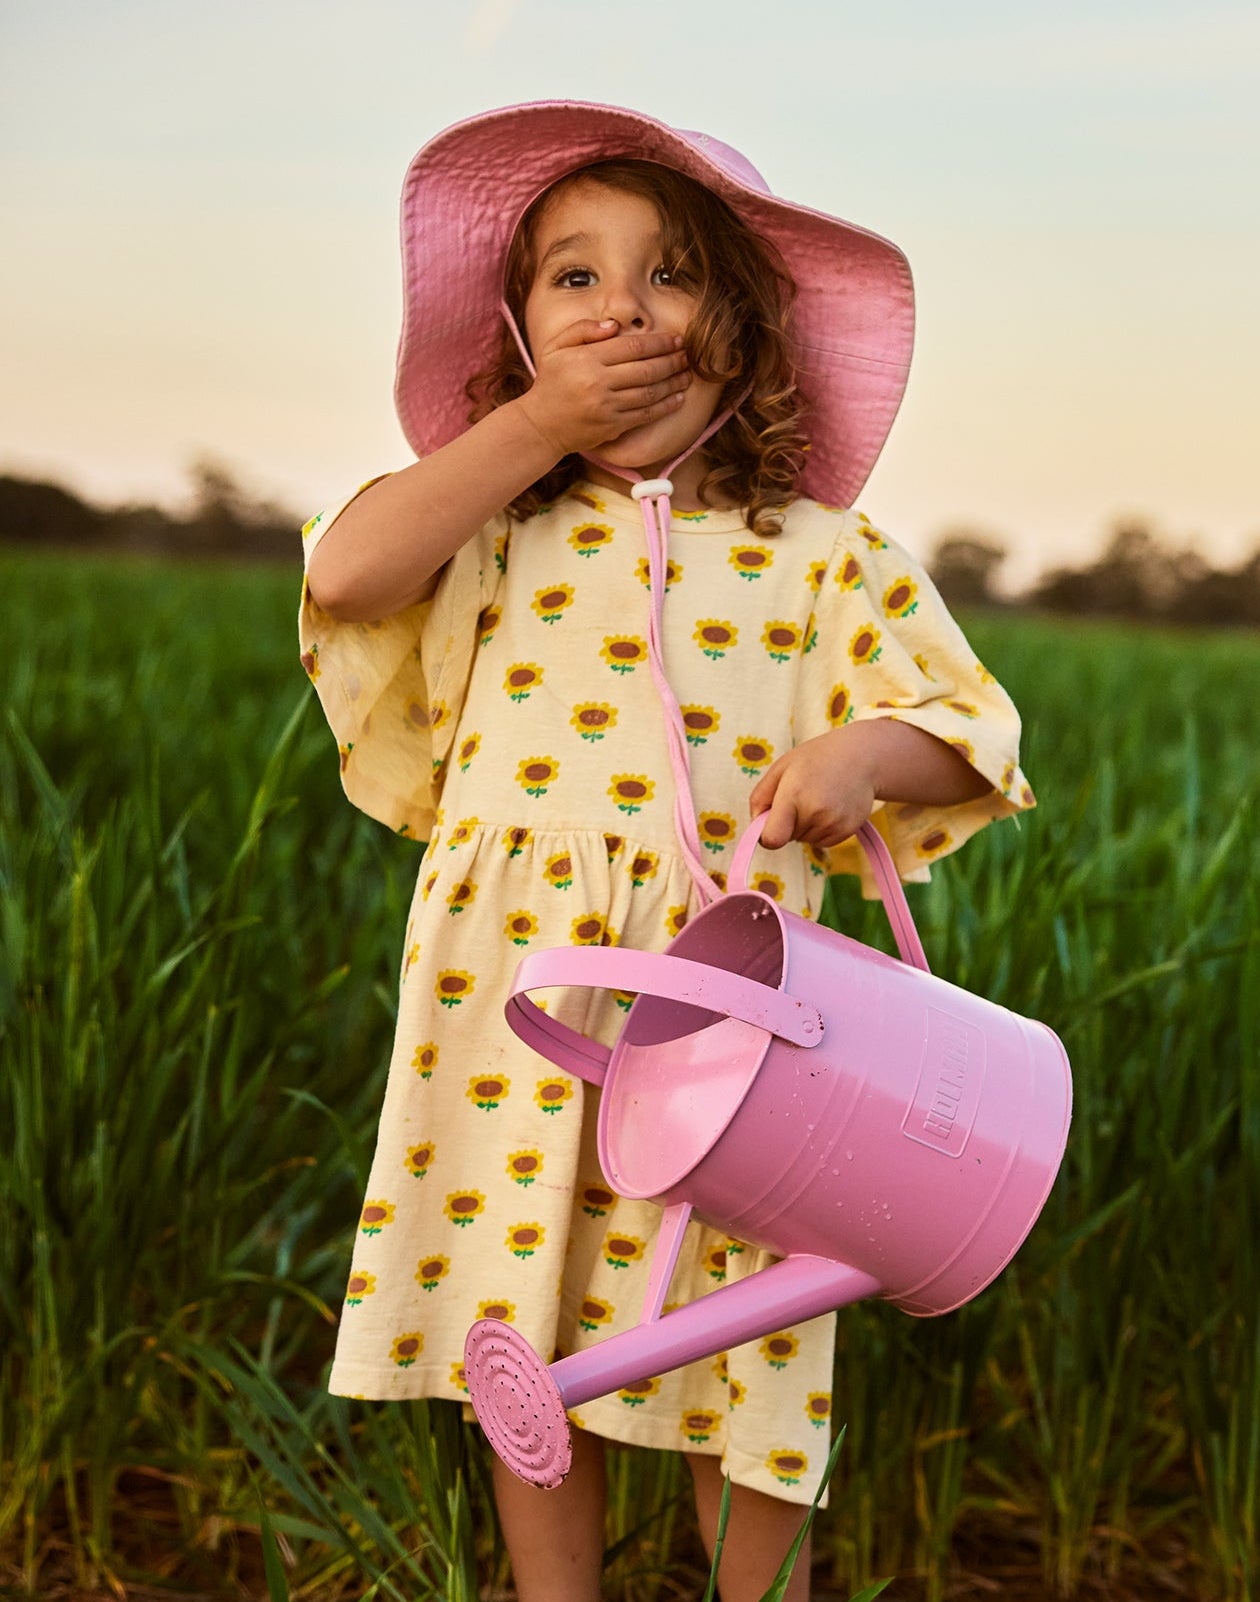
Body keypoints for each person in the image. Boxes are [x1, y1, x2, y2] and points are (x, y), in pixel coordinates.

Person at [298, 100, 1036, 1602]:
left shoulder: (818, 551)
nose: (622, 307)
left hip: (736, 1031)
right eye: (574, 276)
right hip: (524, 1006)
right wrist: (534, 430)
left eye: (672, 275)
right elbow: (348, 572)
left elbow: (970, 730)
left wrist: (861, 756)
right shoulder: (493, 530)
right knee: (517, 1315)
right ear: (519, 333)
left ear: (745, 333)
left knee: (743, 1332)